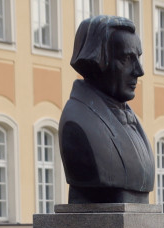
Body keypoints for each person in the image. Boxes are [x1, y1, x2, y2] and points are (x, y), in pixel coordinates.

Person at [59, 15, 154, 204]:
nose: (139, 71)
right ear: (96, 62)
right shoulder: (77, 123)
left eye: (138, 58)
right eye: (127, 58)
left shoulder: (131, 120)